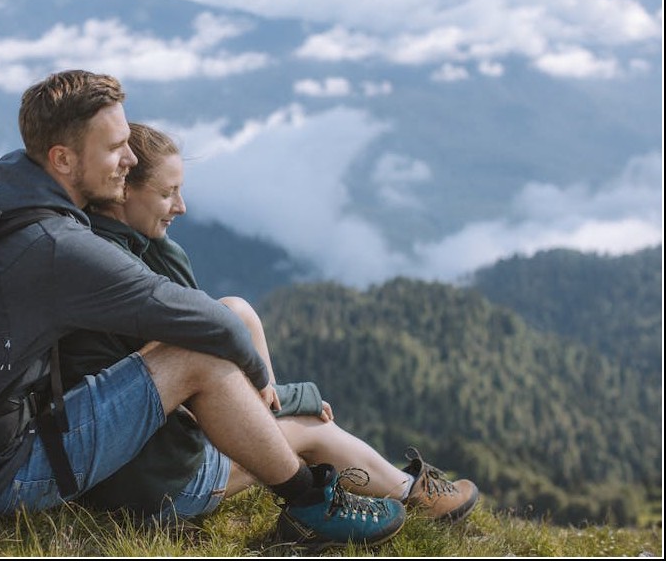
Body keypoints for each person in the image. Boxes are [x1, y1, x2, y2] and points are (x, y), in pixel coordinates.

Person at [0, 70, 407, 547]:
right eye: (114, 148)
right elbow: (205, 322)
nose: (129, 158)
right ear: (63, 159)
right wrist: (267, 386)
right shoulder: (58, 246)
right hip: (2, 476)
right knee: (196, 351)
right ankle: (309, 504)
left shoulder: (3, 194)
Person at [62, 121, 478, 525]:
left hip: (124, 457)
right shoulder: (130, 277)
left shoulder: (117, 245)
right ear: (124, 191)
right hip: (158, 487)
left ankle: (281, 441)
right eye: (168, 192)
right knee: (314, 429)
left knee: (236, 310)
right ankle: (416, 496)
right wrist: (303, 399)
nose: (182, 206)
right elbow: (196, 383)